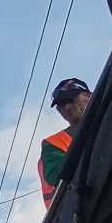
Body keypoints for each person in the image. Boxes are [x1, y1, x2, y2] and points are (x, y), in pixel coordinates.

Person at [39, 78, 92, 206]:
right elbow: (58, 175)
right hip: (81, 212)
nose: (66, 107)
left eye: (71, 100)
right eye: (61, 104)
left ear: (89, 97)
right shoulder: (52, 143)